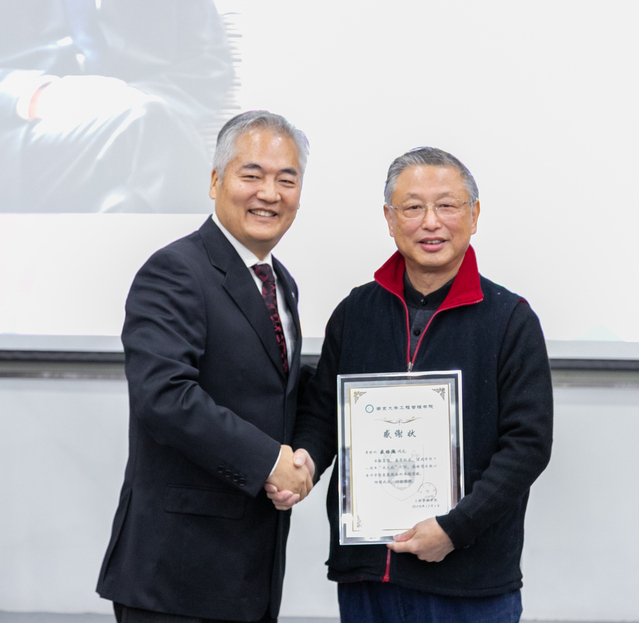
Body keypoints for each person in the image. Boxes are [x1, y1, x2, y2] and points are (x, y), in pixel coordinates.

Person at [271, 147, 553, 623]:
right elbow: (323, 415)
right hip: (368, 577)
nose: (431, 222)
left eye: (447, 205)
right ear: (389, 218)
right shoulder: (356, 312)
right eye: (413, 207)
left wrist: (455, 529)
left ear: (474, 215)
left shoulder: (510, 319)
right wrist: (304, 465)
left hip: (469, 582)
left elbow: (528, 445)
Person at [97, 110, 313, 623]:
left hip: (249, 575)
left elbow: (271, 394)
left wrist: (306, 457)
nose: (270, 193)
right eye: (252, 174)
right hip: (176, 577)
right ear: (216, 181)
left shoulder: (279, 281)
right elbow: (164, 396)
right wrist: (270, 461)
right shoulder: (176, 269)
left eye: (287, 180)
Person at [0, 0, 234, 213]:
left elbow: (210, 65)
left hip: (138, 133)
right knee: (148, 127)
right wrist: (38, 96)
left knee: (128, 205)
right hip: (21, 140)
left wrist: (123, 99)